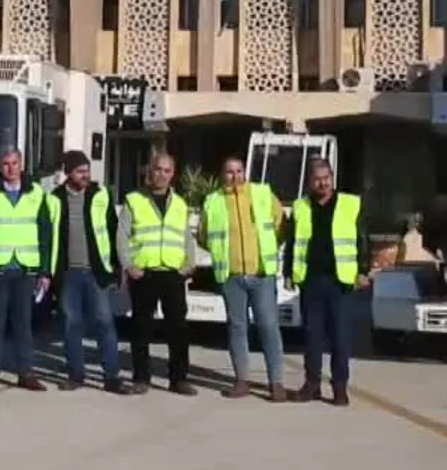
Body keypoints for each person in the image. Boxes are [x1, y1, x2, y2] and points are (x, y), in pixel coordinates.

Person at [201, 156, 288, 402]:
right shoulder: (213, 201)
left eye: (239, 171)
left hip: (261, 274)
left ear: (245, 173)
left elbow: (282, 225)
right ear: (222, 174)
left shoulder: (262, 193)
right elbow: (204, 235)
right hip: (231, 276)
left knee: (269, 326)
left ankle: (276, 383)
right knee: (237, 328)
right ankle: (241, 380)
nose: (235, 176)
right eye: (229, 172)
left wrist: (269, 249)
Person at [0, 148, 53, 392]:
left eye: (14, 163)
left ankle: (26, 373)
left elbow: (45, 234)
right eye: (5, 164)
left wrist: (45, 271)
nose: (10, 168)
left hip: (26, 268)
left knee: (23, 325)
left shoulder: (36, 193)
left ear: (22, 164)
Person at [285, 157, 364, 406]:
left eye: (327, 178)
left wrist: (363, 270)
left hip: (340, 281)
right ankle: (312, 384)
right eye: (318, 179)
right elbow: (292, 242)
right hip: (310, 280)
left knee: (341, 337)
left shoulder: (350, 205)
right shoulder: (300, 207)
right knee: (312, 336)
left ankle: (340, 387)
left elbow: (362, 240)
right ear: (310, 181)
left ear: (333, 179)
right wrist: (288, 272)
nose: (323, 183)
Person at [118, 152, 197, 396]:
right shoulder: (134, 200)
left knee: (179, 328)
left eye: (167, 171)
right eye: (157, 169)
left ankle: (179, 379)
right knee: (141, 328)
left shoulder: (180, 204)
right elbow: (122, 235)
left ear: (172, 174)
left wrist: (189, 264)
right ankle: (141, 378)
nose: (161, 175)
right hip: (145, 273)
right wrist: (128, 265)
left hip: (172, 274)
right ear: (149, 171)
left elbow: (186, 237)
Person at [49, 150, 123, 393]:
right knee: (72, 324)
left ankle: (111, 376)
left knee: (104, 322)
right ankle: (75, 375)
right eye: (80, 171)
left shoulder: (100, 195)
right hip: (68, 272)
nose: (85, 175)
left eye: (87, 170)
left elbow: (113, 232)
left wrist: (116, 268)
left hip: (96, 271)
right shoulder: (55, 198)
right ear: (68, 173)